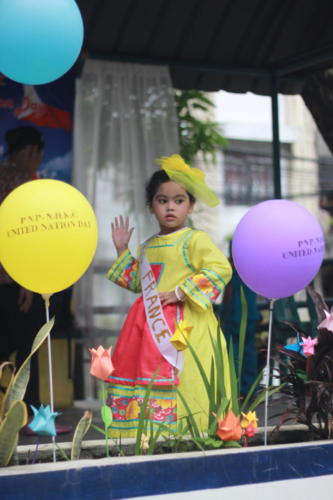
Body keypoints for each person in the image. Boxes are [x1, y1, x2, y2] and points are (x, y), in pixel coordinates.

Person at [105, 154, 232, 437]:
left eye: (179, 200)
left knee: (190, 380)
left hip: (188, 329)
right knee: (144, 378)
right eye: (162, 201)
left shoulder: (195, 240)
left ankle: (194, 433)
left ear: (191, 205)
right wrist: (122, 251)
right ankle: (149, 434)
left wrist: (180, 291)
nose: (170, 207)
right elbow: (138, 282)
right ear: (151, 206)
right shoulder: (147, 246)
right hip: (147, 327)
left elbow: (220, 268)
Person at [0, 126, 45, 411]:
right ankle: (30, 413)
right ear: (32, 151)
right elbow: (22, 234)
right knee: (30, 348)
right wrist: (28, 280)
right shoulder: (21, 182)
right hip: (14, 279)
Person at [220, 243, 260, 396]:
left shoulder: (233, 271)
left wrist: (222, 316)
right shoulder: (250, 270)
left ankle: (235, 389)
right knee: (249, 353)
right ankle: (250, 389)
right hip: (250, 316)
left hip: (234, 317)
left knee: (233, 353)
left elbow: (228, 296)